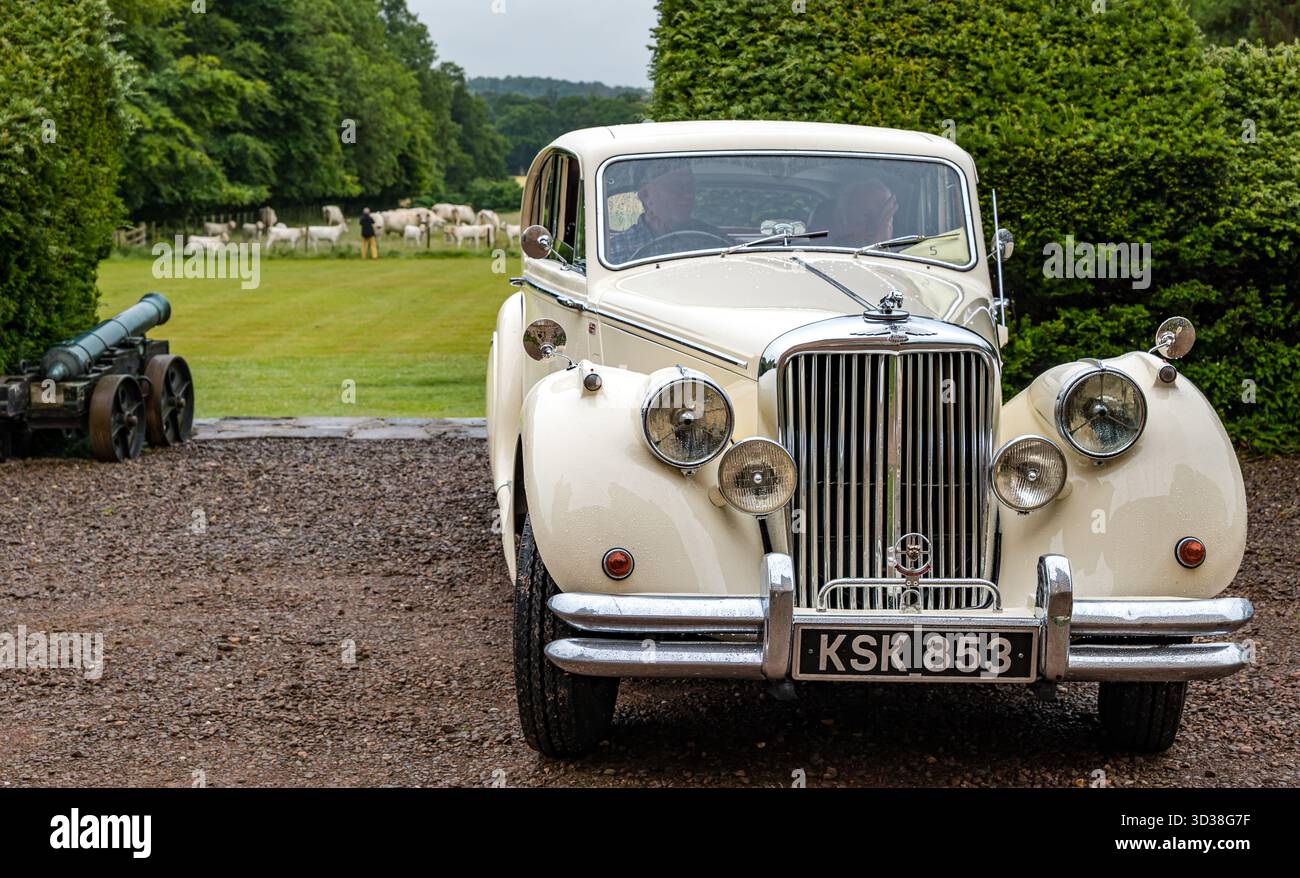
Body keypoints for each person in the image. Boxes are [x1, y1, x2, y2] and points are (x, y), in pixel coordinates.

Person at [607, 162, 726, 264]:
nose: (687, 194)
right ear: (646, 195)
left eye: (690, 186)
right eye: (675, 187)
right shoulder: (615, 250)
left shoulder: (714, 240)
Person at [814, 179, 898, 248]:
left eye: (885, 215)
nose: (876, 225)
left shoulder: (904, 248)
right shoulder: (823, 244)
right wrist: (878, 244)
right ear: (843, 214)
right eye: (868, 216)